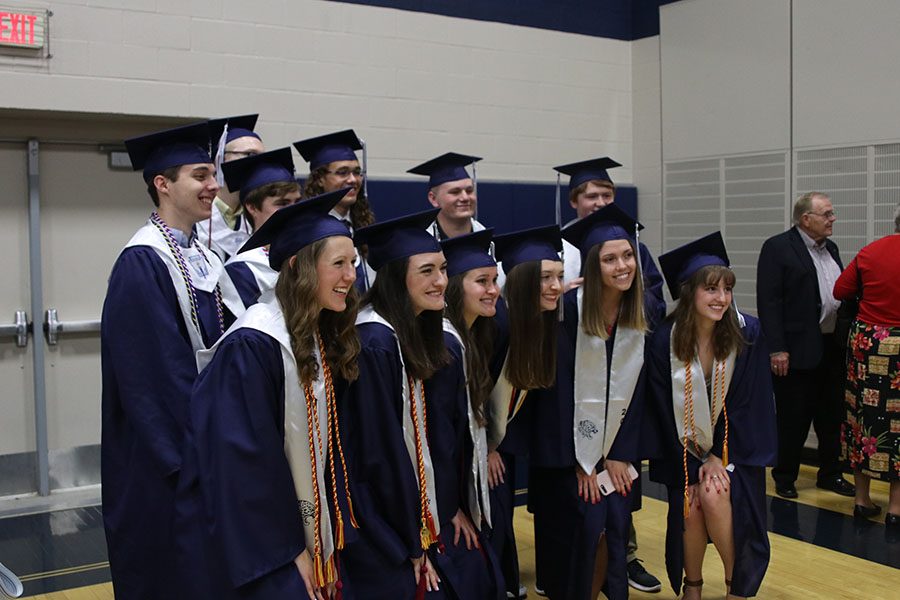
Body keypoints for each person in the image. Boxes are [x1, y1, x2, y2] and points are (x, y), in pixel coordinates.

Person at [173, 189, 361, 599]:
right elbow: (242, 463)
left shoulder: (308, 335)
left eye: (353, 263)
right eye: (339, 264)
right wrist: (288, 550)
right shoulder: (254, 343)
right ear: (299, 266)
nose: (351, 276)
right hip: (255, 543)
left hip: (283, 529)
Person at [102, 121, 226, 599]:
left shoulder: (202, 257)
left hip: (206, 445)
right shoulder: (142, 262)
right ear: (163, 183)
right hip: (167, 461)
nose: (213, 185)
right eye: (200, 175)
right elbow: (152, 380)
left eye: (213, 174)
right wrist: (195, 458)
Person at [528, 205, 663, 600]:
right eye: (609, 259)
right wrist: (583, 462)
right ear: (591, 264)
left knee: (613, 527)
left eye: (627, 256)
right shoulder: (566, 312)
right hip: (568, 455)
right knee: (581, 531)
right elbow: (557, 397)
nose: (622, 266)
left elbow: (641, 393)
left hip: (620, 452)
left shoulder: (644, 311)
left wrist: (621, 454)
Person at [646, 232, 777, 600]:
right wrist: (690, 463)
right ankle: (694, 587)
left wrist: (718, 456)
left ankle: (736, 583)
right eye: (712, 290)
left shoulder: (746, 333)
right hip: (682, 451)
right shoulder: (664, 341)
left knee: (715, 494)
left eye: (727, 289)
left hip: (734, 450)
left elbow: (748, 404)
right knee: (692, 499)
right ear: (690, 294)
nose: (722, 299)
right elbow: (660, 408)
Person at [341, 208, 448, 598]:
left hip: (390, 514)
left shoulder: (404, 332)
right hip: (373, 519)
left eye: (443, 268)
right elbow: (378, 454)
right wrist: (408, 538)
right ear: (394, 277)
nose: (441, 281)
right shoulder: (376, 342)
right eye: (427, 271)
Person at [756, 191, 855, 499]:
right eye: (826, 214)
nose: (832, 219)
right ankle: (785, 475)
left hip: (831, 346)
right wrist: (777, 348)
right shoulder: (778, 248)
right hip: (795, 349)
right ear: (805, 219)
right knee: (793, 416)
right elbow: (769, 303)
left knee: (831, 415)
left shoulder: (832, 248)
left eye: (832, 213)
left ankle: (831, 473)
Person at [488, 225, 564, 600]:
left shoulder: (538, 322)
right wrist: (485, 447)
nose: (556, 286)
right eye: (546, 278)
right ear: (521, 281)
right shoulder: (496, 325)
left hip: (507, 435)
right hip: (483, 441)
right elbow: (471, 394)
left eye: (560, 277)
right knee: (495, 512)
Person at [430, 229, 507, 599]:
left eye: (494, 280)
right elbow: (437, 436)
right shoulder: (446, 345)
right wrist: (449, 509)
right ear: (457, 287)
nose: (493, 290)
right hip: (444, 498)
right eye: (482, 282)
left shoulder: (477, 334)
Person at [832, 203, 900, 526]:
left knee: (862, 419)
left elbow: (840, 290)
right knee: (898, 424)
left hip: (867, 344)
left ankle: (861, 500)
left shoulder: (870, 251)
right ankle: (896, 509)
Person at [218, 147, 302, 314]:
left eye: (297, 202)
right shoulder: (242, 270)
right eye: (282, 204)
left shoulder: (306, 254)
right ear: (252, 207)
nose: (293, 210)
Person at [294, 129, 376, 291]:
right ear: (319, 179)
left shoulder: (365, 225)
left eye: (357, 173)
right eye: (342, 172)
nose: (353, 180)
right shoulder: (307, 230)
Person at [197, 114, 264, 260]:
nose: (259, 163)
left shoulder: (259, 216)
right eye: (249, 154)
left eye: (262, 156)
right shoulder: (196, 221)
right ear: (221, 158)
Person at [408, 152, 484, 240]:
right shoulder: (420, 245)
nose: (465, 197)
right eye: (455, 192)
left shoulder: (489, 243)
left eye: (469, 191)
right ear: (433, 199)